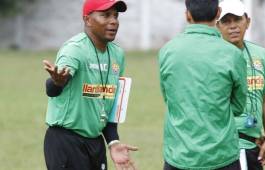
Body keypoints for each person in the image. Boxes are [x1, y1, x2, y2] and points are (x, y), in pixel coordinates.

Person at [42, 0, 138, 170]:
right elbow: (53, 88)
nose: (113, 21)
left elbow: (109, 104)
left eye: (115, 15)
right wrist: (57, 82)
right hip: (66, 141)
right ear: (87, 20)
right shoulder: (75, 49)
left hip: (95, 142)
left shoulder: (117, 54)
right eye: (105, 15)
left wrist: (113, 142)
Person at [158, 0, 248, 169]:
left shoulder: (167, 51)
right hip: (222, 156)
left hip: (179, 155)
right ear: (218, 13)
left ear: (187, 15)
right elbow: (238, 106)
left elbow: (169, 98)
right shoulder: (233, 54)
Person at [217, 0, 265, 169]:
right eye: (226, 21)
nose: (233, 26)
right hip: (227, 145)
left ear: (248, 21)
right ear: (217, 26)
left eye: (237, 20)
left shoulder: (260, 54)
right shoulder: (213, 57)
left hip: (253, 144)